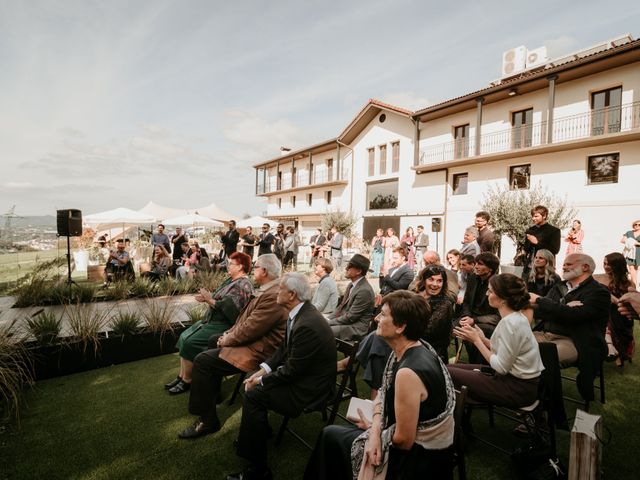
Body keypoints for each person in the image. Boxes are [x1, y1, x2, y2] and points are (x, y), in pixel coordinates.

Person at [305, 291, 455, 480]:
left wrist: (375, 434)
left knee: (330, 436)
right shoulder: (414, 348)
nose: (376, 318)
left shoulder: (408, 372)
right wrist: (375, 427)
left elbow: (404, 441)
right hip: (399, 436)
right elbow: (383, 394)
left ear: (400, 326)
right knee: (332, 435)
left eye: (383, 314)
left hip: (417, 461)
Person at [228, 273, 336, 480]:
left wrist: (259, 381)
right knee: (253, 379)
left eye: (280, 289)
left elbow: (292, 371)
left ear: (292, 294)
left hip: (309, 390)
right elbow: (283, 351)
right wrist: (261, 372)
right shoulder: (299, 313)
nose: (276, 292)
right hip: (303, 378)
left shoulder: (307, 323)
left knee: (253, 394)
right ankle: (257, 434)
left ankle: (259, 471)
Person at [177, 254, 287, 439]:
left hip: (260, 350)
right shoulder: (268, 289)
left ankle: (208, 420)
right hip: (253, 341)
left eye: (257, 267)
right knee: (213, 340)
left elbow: (251, 329)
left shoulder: (273, 294)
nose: (253, 269)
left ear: (265, 271)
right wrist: (227, 335)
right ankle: (212, 392)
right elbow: (245, 322)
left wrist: (227, 339)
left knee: (202, 361)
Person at [449, 273, 544, 408]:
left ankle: (455, 419)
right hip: (516, 383)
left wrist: (476, 341)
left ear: (503, 299)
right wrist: (483, 339)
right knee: (447, 368)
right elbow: (507, 352)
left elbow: (501, 367)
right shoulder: (516, 318)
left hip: (516, 389)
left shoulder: (510, 323)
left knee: (445, 373)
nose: (487, 294)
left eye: (490, 291)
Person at [165, 252, 254, 395]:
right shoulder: (232, 281)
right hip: (212, 320)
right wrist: (208, 298)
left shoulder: (243, 284)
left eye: (231, 264)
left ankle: (187, 380)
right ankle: (181, 376)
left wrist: (209, 299)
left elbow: (231, 310)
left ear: (241, 267)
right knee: (183, 336)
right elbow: (220, 300)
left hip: (224, 325)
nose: (227, 266)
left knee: (190, 342)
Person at [530, 253, 610, 402]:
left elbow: (575, 316)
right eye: (564, 264)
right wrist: (564, 308)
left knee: (542, 358)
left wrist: (542, 301)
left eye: (569, 264)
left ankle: (542, 410)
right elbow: (543, 311)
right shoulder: (559, 286)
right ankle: (512, 392)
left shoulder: (599, 292)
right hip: (545, 334)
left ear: (585, 267)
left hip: (575, 341)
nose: (564, 266)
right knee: (510, 344)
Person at [457, 252, 501, 364]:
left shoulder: (497, 283)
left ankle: (478, 365)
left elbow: (497, 316)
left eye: (480, 264)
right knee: (448, 326)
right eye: (476, 263)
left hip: (488, 322)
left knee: (476, 331)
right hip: (471, 317)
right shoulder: (472, 278)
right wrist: (466, 316)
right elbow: (466, 301)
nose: (476, 266)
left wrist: (474, 320)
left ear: (490, 269)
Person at [327, 254, 375, 341]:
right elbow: (341, 307)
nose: (346, 268)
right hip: (347, 323)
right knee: (320, 325)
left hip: (356, 328)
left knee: (323, 330)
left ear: (358, 271)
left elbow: (351, 317)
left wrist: (328, 323)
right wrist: (328, 318)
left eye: (349, 266)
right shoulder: (351, 285)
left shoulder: (364, 291)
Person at [601, 252, 636, 367]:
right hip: (605, 311)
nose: (606, 266)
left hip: (621, 313)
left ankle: (618, 352)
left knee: (615, 324)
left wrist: (613, 298)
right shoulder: (600, 278)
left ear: (617, 266)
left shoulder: (628, 283)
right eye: (604, 263)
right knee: (605, 322)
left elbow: (629, 304)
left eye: (609, 264)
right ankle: (610, 349)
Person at [523, 205, 561, 278]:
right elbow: (526, 249)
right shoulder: (530, 230)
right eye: (532, 216)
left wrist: (537, 243)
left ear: (544, 216)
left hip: (545, 269)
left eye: (536, 216)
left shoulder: (554, 231)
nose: (533, 218)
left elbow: (555, 250)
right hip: (529, 268)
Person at [621, 219, 640, 288]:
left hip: (639, 252)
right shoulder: (629, 232)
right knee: (631, 269)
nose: (637, 226)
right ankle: (635, 285)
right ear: (633, 225)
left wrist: (633, 242)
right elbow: (622, 240)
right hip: (630, 253)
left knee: (637, 269)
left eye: (639, 225)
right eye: (636, 224)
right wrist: (634, 242)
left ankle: (634, 283)